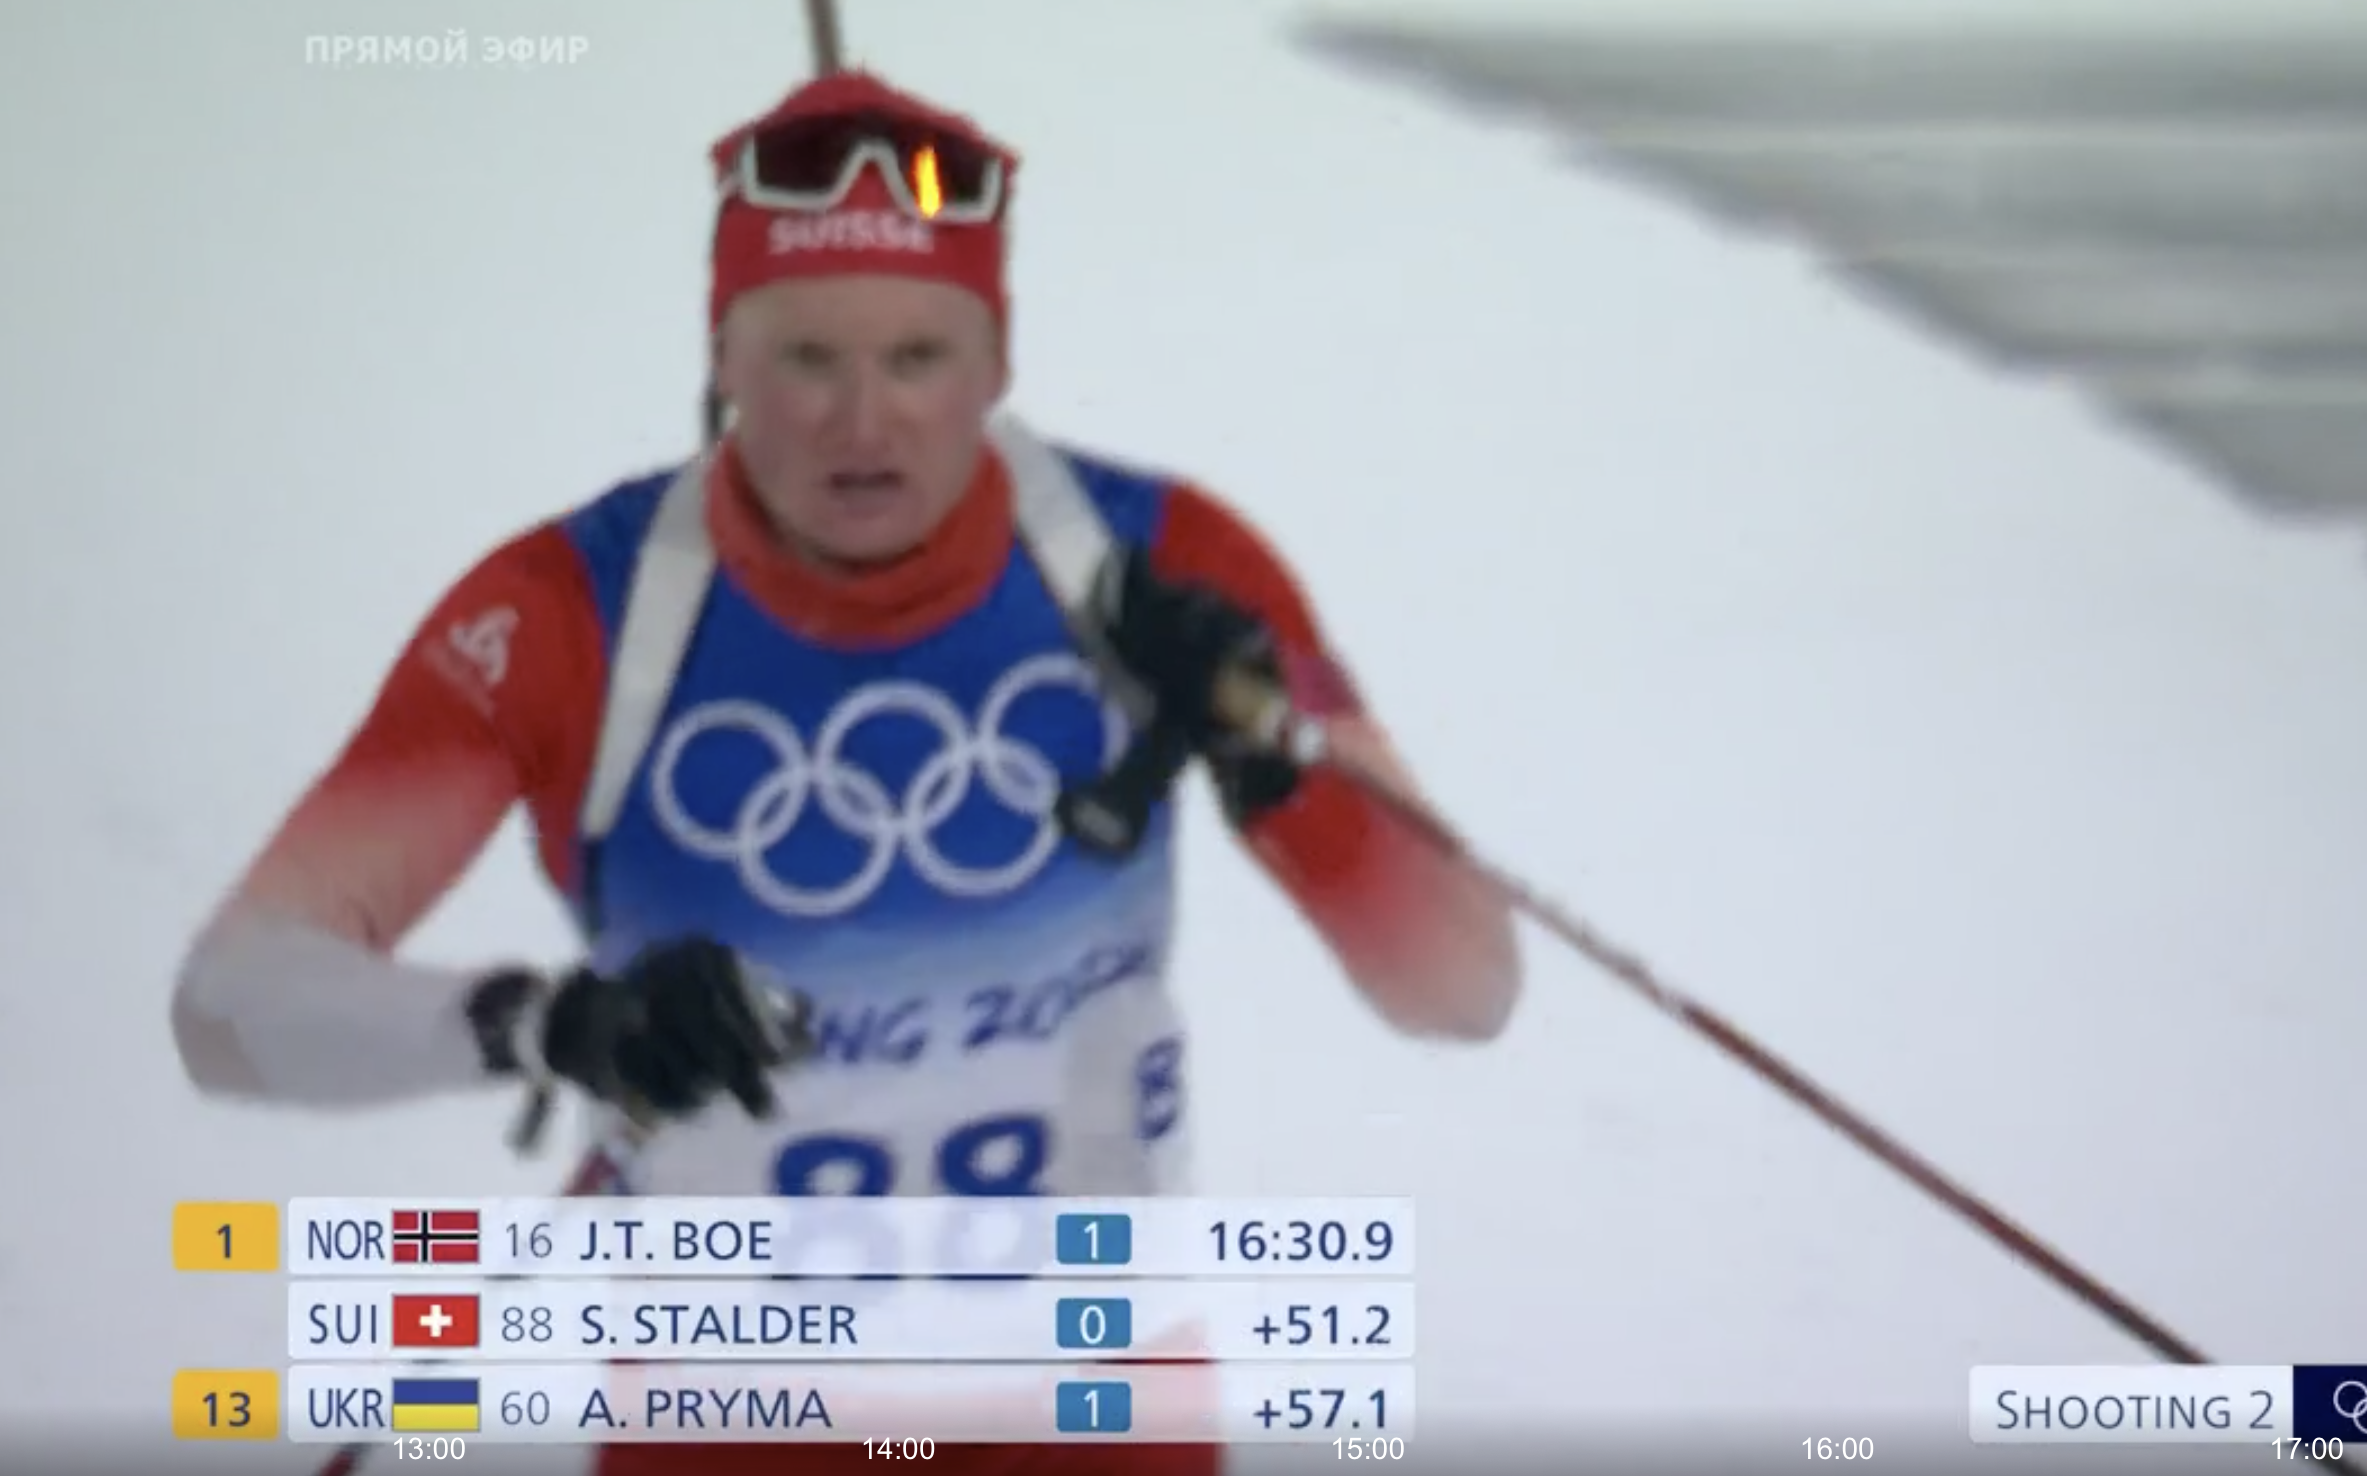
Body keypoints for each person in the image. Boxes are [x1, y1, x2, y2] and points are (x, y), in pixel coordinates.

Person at [170, 69, 1520, 1476]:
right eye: (807, 358)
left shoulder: (1166, 567)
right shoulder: (572, 612)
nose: (863, 422)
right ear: (721, 360)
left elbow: (1463, 987)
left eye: (918, 357)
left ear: (997, 363)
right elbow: (227, 1002)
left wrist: (1274, 762)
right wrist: (554, 1028)